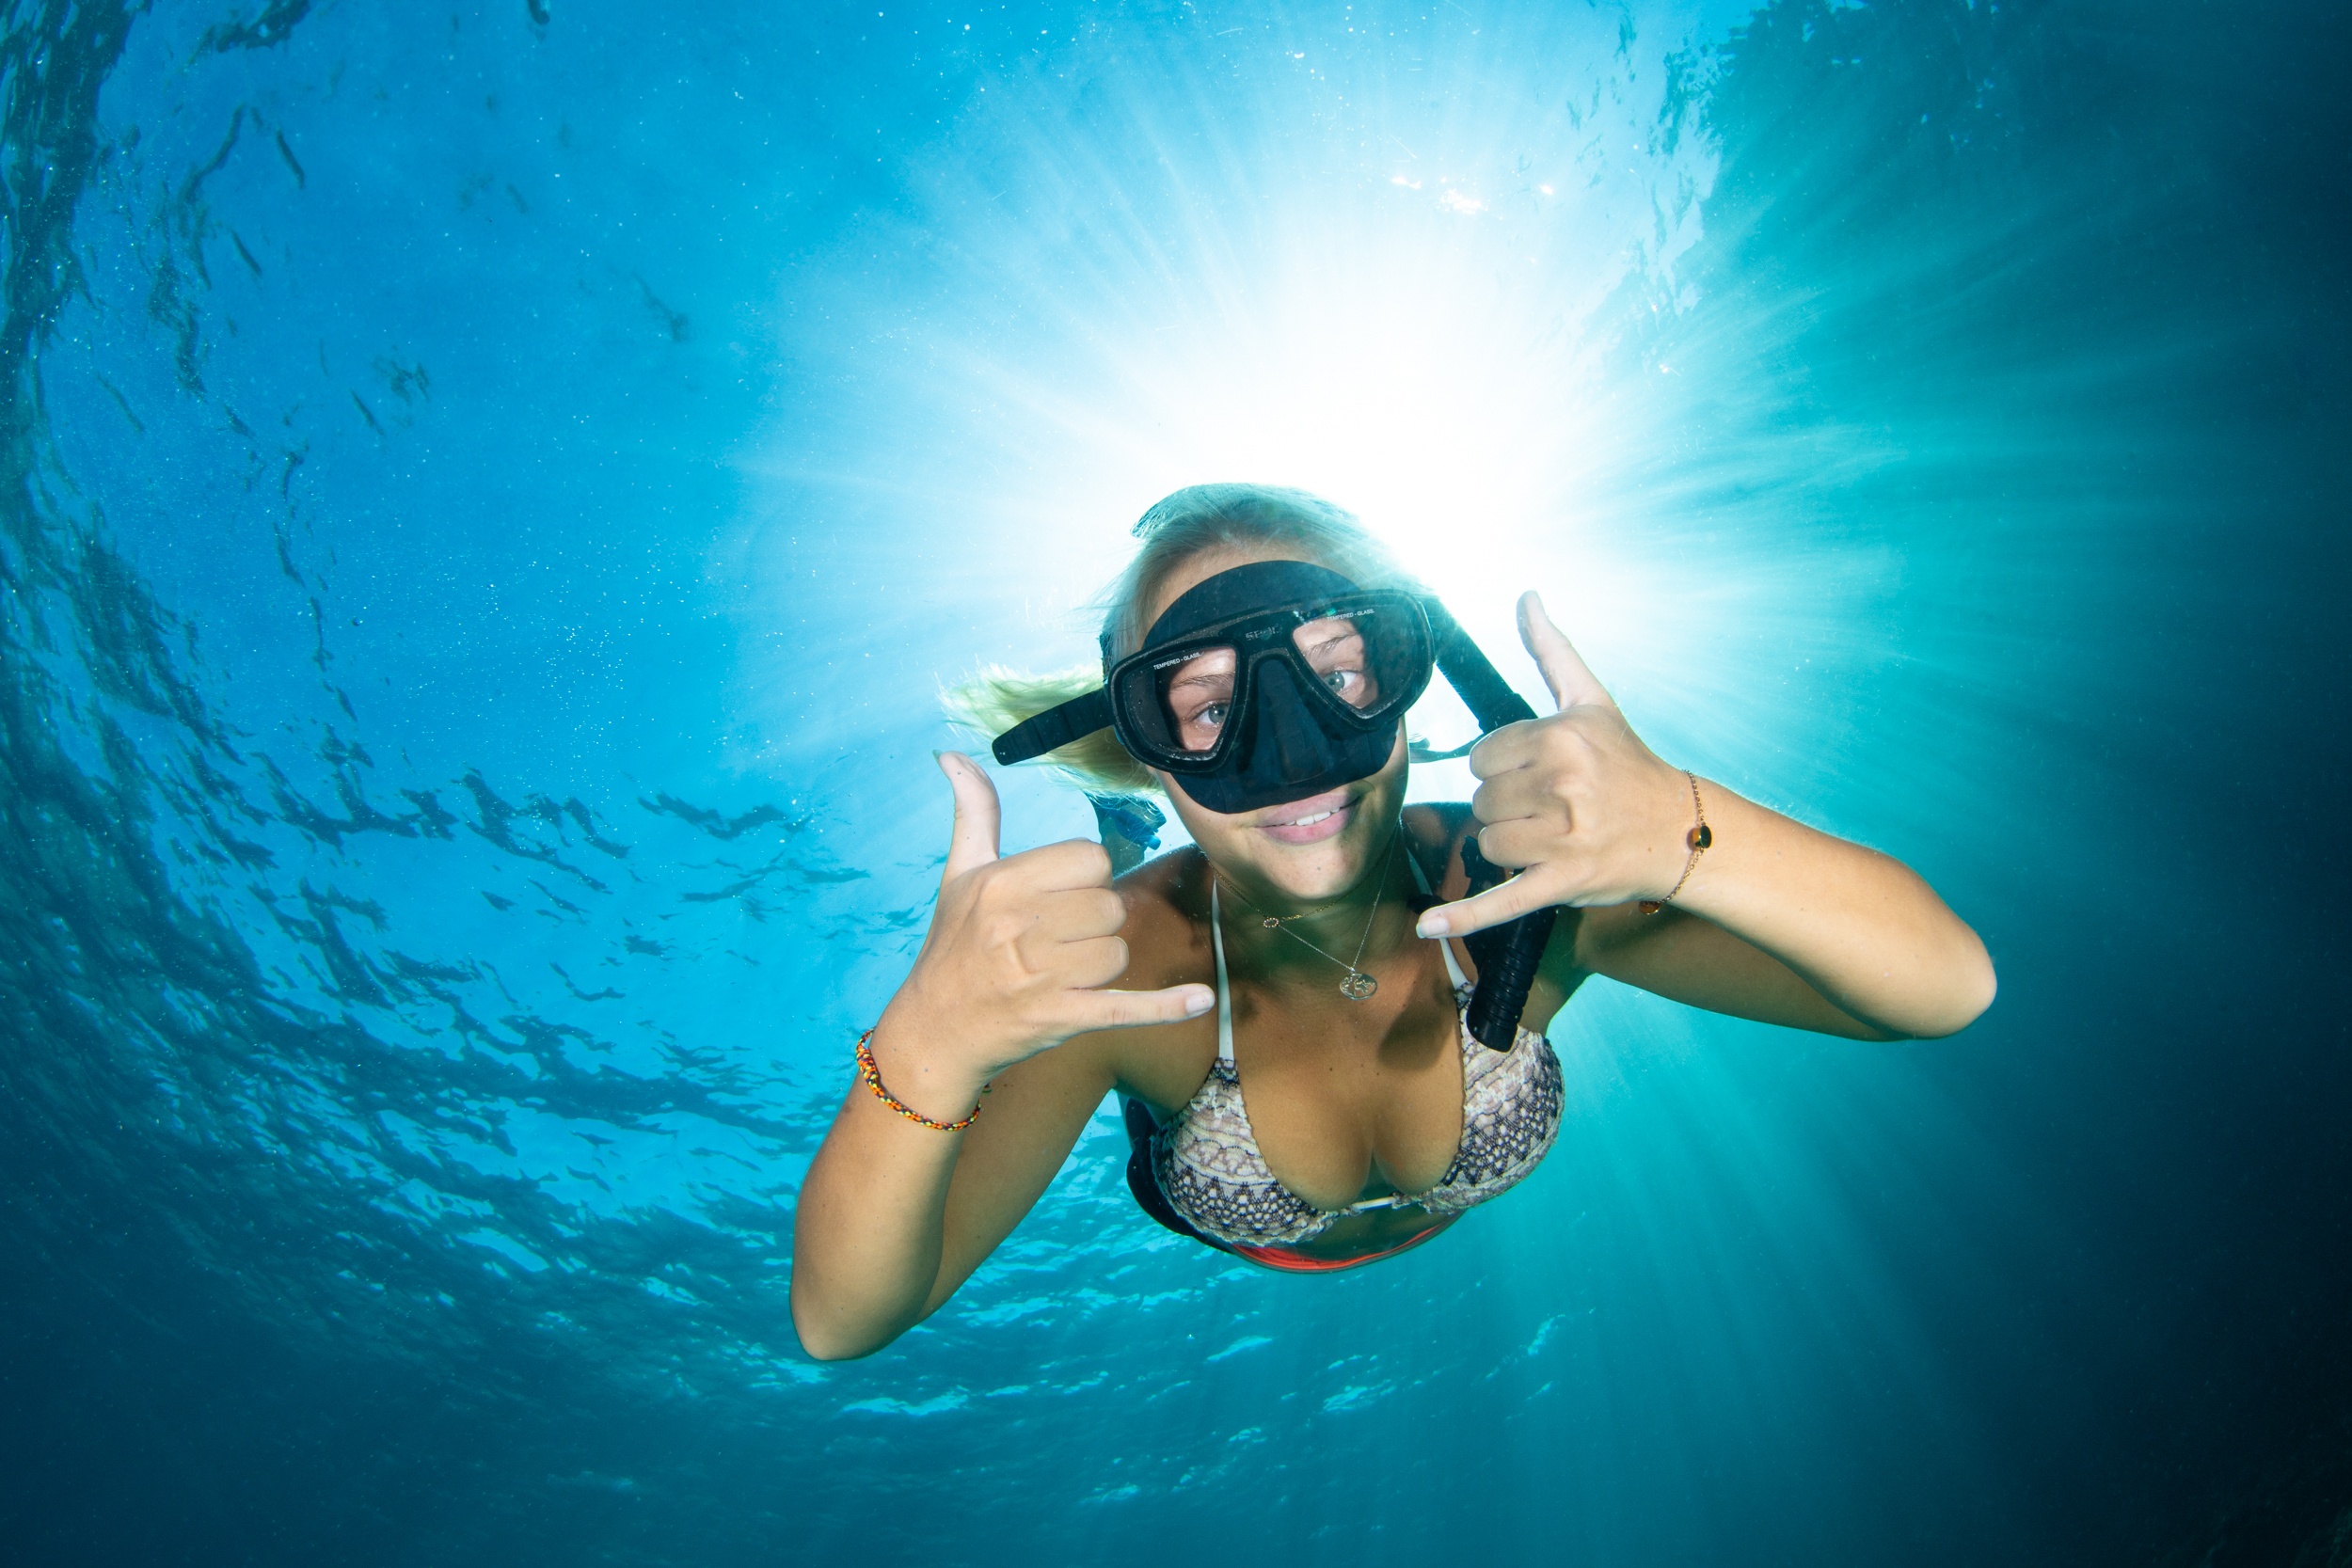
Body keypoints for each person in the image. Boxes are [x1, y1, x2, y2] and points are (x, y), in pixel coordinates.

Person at [790, 483, 1994, 1361]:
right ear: (1145, 745)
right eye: (1206, 707)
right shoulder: (1124, 973)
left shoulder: (1520, 883)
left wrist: (1678, 826)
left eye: (1346, 671)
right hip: (1226, 1187)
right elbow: (844, 1319)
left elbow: (1940, 989)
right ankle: (1118, 829)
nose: (1294, 750)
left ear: (1414, 670)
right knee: (1109, 890)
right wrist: (929, 1039)